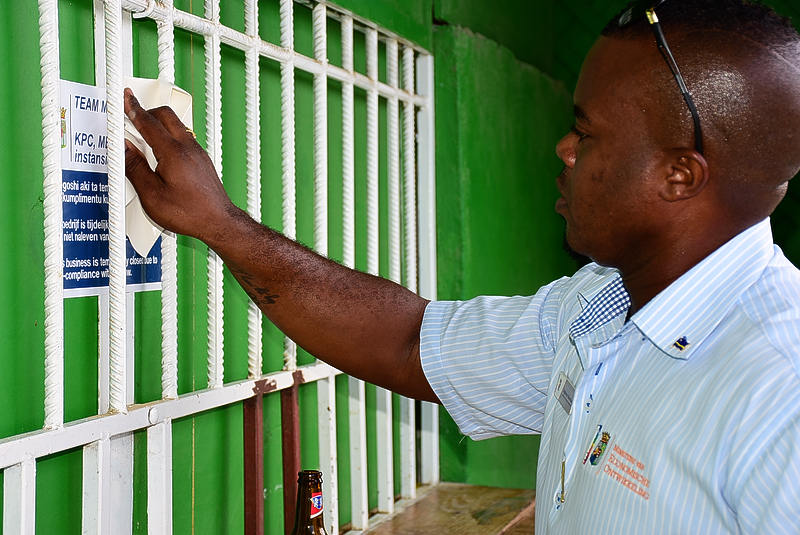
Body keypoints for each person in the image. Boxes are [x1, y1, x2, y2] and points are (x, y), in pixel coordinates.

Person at [124, 0, 800, 532]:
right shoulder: (600, 307)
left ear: (680, 175)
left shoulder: (778, 395)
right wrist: (220, 223)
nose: (565, 149)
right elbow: (406, 341)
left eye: (587, 132)